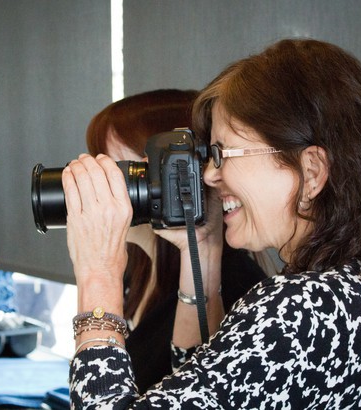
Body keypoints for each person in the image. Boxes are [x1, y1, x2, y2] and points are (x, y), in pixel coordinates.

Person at [61, 39, 361, 408]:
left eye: (222, 154)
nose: (208, 175)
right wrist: (203, 251)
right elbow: (202, 388)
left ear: (311, 171)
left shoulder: (299, 310)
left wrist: (98, 274)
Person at [84, 89, 268, 392]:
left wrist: (94, 270)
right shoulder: (137, 271)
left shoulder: (237, 290)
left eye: (114, 170)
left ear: (177, 176)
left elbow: (197, 392)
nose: (99, 188)